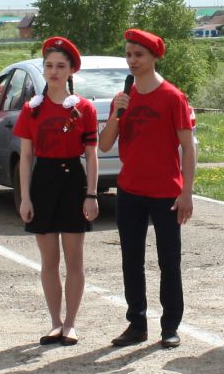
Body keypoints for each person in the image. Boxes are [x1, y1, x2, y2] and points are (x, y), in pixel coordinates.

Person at [99, 28, 197, 348]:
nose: (132, 61)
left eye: (138, 55)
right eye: (128, 54)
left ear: (154, 58)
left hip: (166, 192)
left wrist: (186, 192)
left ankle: (170, 326)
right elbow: (104, 144)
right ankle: (136, 324)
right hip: (130, 191)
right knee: (132, 259)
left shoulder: (173, 97)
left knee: (169, 261)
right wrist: (117, 113)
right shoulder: (122, 98)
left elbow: (189, 147)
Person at [15, 37, 101, 344]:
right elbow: (26, 157)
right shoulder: (31, 110)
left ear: (70, 71)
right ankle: (54, 322)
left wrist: (91, 194)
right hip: (43, 182)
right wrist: (25, 197)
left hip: (73, 182)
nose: (54, 71)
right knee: (49, 261)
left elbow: (91, 155)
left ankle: (71, 324)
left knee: (74, 260)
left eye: (60, 66)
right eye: (49, 65)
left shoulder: (84, 109)